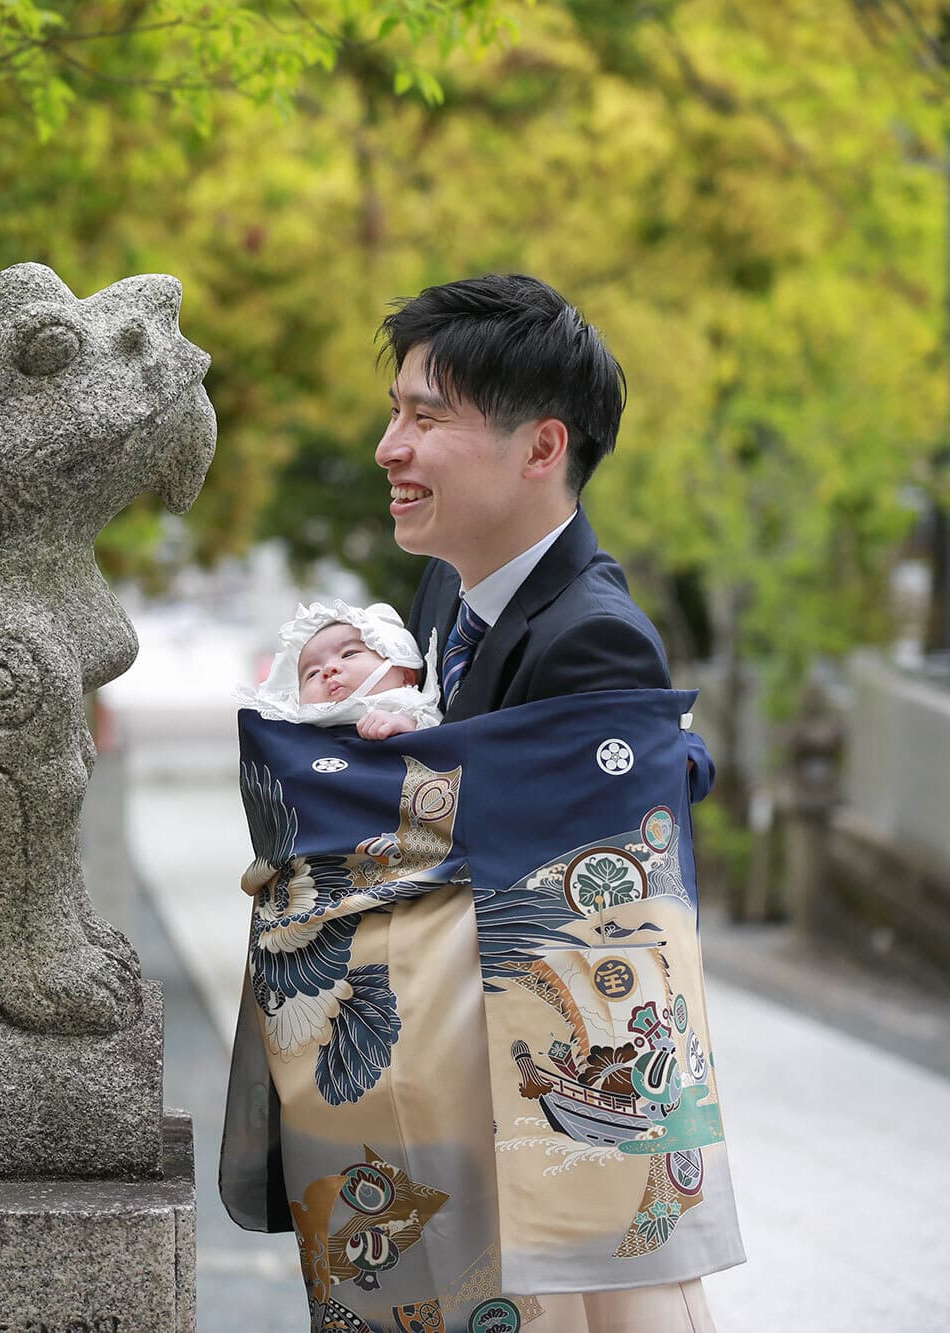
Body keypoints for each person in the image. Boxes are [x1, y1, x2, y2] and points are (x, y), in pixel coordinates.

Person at [221, 273, 724, 1333]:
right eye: (393, 411)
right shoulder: (448, 590)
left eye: (423, 417)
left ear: (541, 449)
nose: (386, 448)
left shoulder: (593, 635)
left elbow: (587, 884)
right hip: (457, 1098)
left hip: (543, 1109)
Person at [236, 599, 442, 739]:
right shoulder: (300, 727)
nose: (327, 669)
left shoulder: (412, 706)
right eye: (312, 673)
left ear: (406, 675)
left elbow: (444, 745)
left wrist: (407, 726)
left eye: (348, 654)